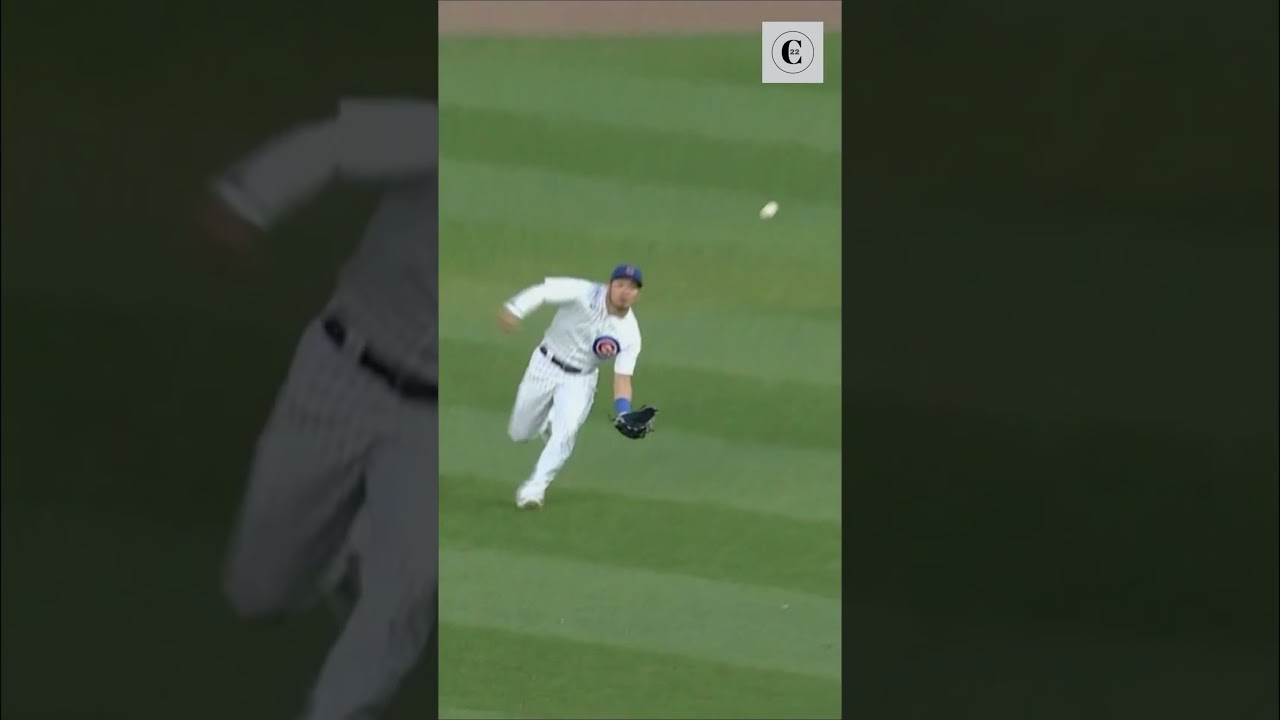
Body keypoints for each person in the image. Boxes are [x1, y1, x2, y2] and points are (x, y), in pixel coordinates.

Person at [196, 96, 438, 720]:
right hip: (344, 371)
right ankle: (353, 547)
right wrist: (247, 201)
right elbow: (337, 142)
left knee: (405, 597)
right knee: (259, 591)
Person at [498, 265, 646, 508]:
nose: (624, 292)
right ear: (609, 285)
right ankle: (548, 421)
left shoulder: (630, 334)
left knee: (566, 432)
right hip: (544, 364)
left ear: (637, 294)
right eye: (620, 285)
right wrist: (516, 309)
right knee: (520, 433)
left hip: (580, 379)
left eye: (631, 288)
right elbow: (543, 291)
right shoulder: (583, 292)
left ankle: (535, 487)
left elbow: (622, 377)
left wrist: (624, 411)